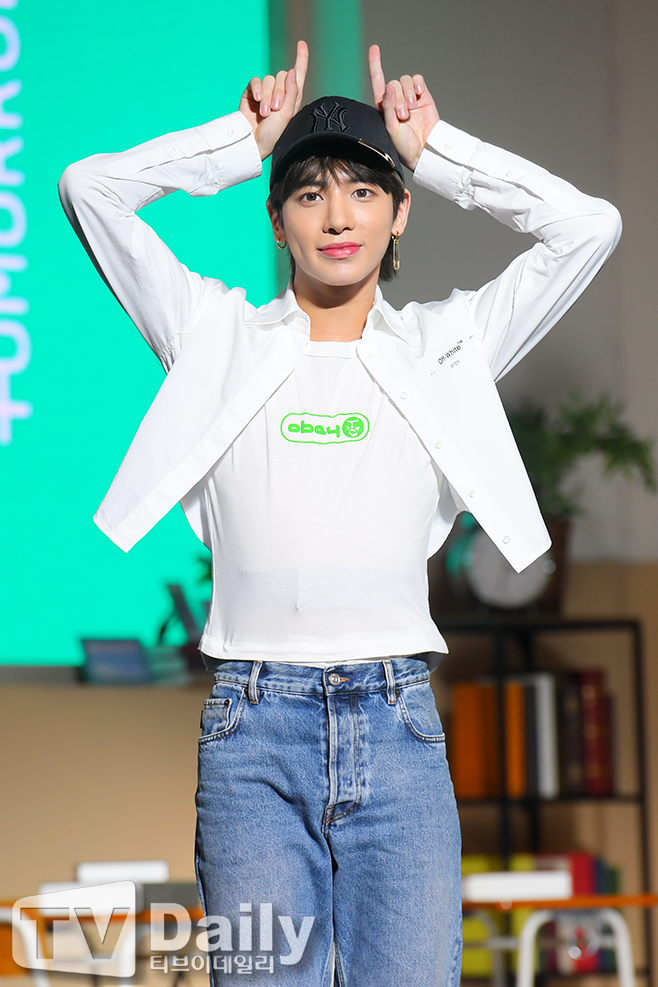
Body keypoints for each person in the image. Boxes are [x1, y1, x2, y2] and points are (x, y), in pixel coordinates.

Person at [58, 39, 621, 987]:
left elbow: (589, 227)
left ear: (400, 211)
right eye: (309, 193)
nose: (337, 216)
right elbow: (88, 188)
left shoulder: (448, 348)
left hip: (399, 728)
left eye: (364, 190)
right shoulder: (214, 336)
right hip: (251, 737)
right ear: (277, 218)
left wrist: (438, 152)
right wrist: (238, 143)